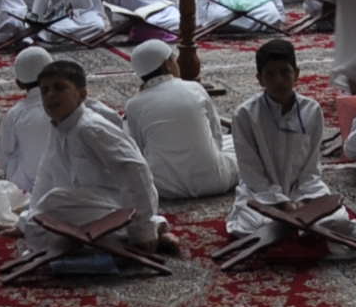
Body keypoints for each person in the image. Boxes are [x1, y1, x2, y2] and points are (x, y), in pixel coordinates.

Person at [22, 57, 164, 256]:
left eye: (59, 88)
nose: (51, 95)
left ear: (82, 94)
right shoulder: (59, 127)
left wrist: (143, 230)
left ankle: (144, 230)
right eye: (45, 91)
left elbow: (135, 170)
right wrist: (32, 214)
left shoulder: (90, 128)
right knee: (35, 217)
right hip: (89, 203)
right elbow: (45, 174)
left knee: (51, 206)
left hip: (117, 204)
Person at [227, 37, 331, 241]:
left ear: (297, 74)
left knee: (337, 220)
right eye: (270, 74)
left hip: (303, 191)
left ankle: (298, 226)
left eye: (285, 72)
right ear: (260, 79)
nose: (279, 80)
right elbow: (251, 172)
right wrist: (282, 203)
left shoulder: (311, 110)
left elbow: (311, 168)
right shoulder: (246, 115)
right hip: (261, 194)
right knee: (251, 226)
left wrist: (303, 201)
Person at [123, 39, 238, 200]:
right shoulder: (194, 88)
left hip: (164, 188)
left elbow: (139, 149)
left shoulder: (133, 104)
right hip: (214, 180)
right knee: (239, 144)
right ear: (168, 64)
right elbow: (216, 135)